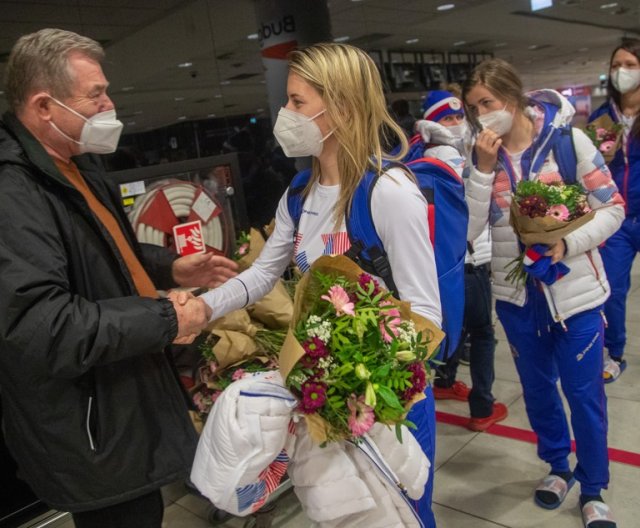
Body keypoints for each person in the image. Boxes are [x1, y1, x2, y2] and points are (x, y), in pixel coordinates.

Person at [0, 28, 238, 527]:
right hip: (90, 424)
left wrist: (167, 266)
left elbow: (104, 249)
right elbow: (43, 325)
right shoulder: (13, 190)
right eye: (96, 94)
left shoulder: (77, 166)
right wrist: (167, 317)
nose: (109, 104)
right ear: (44, 106)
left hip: (122, 398)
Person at [200, 43, 442, 527]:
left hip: (389, 403)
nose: (284, 114)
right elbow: (261, 275)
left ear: (344, 107)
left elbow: (427, 318)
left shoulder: (389, 193)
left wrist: (361, 384)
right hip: (328, 405)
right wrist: (199, 310)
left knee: (407, 517)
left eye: (297, 102)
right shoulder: (299, 195)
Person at [463, 58, 623, 527]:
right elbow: (471, 230)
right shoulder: (478, 158)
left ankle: (592, 487)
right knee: (537, 392)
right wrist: (482, 170)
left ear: (513, 98)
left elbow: (612, 207)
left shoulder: (568, 143)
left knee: (584, 395)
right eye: (473, 107)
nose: (481, 114)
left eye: (487, 102)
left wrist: (567, 242)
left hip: (576, 296)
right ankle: (558, 467)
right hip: (516, 299)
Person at [415, 89, 507, 432]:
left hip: (440, 265)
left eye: (457, 117)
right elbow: (470, 217)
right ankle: (482, 406)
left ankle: (444, 381)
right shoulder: (458, 161)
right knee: (482, 333)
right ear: (432, 123)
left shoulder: (420, 161)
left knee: (452, 325)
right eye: (446, 119)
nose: (455, 124)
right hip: (470, 261)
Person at [588, 37, 640, 383]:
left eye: (630, 65)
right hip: (618, 218)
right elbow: (590, 167)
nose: (621, 72)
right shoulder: (602, 116)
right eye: (616, 65)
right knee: (613, 289)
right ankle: (614, 352)